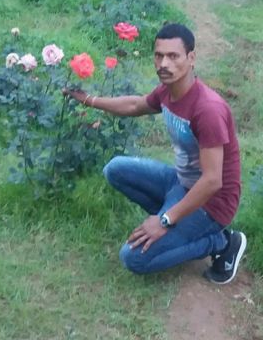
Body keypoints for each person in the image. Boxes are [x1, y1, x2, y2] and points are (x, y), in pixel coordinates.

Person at [66, 23, 246, 284]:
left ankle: (221, 242)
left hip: (211, 204)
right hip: (181, 183)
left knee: (134, 258)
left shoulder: (208, 110)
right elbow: (135, 105)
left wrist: (165, 220)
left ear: (191, 58)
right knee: (116, 169)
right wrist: (89, 100)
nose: (164, 64)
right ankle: (178, 224)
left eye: (173, 56)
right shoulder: (167, 91)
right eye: (159, 55)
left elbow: (212, 181)